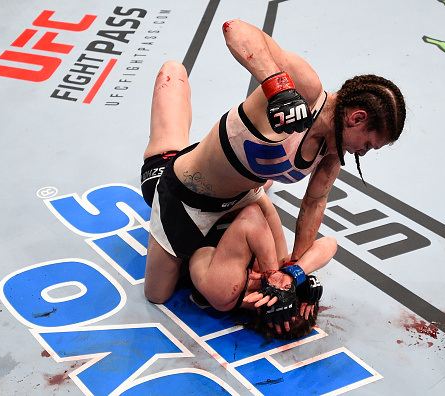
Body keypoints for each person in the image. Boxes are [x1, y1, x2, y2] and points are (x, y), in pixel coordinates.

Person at [141, 19, 406, 308]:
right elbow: (235, 29)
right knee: (158, 295)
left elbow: (313, 204)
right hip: (189, 195)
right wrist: (277, 87)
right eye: (368, 144)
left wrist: (295, 273)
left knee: (264, 270)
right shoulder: (306, 88)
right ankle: (171, 116)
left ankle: (209, 250)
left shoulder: (332, 154)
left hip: (244, 198)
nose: (363, 153)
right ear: (357, 118)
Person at [186, 203, 337, 337]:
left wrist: (271, 277)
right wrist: (297, 272)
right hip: (238, 199)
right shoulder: (282, 271)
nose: (286, 284)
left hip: (194, 207)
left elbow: (252, 214)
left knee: (161, 294)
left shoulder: (226, 291)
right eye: (292, 288)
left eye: (288, 289)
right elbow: (330, 243)